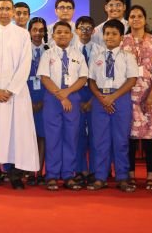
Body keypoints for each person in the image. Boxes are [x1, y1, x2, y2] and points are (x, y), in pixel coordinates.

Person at [0, 0, 39, 190]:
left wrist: (11, 89)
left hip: (16, 94)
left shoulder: (23, 35)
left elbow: (25, 64)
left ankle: (14, 174)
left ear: (12, 12)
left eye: (7, 9)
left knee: (16, 133)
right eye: (1, 8)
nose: (4, 12)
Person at [87, 19, 138, 192]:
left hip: (120, 98)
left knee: (121, 140)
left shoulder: (128, 56)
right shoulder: (96, 57)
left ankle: (122, 177)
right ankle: (100, 177)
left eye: (114, 34)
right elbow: (91, 81)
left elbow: (132, 80)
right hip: (100, 99)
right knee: (100, 141)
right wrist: (102, 98)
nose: (110, 37)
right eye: (107, 33)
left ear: (121, 37)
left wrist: (113, 97)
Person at [122, 5, 152, 190]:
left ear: (145, 19)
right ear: (128, 20)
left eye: (139, 16)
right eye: (132, 16)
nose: (136, 19)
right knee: (129, 138)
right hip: (127, 95)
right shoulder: (122, 41)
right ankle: (131, 175)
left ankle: (150, 175)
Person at [38, 21, 88, 191]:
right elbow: (44, 77)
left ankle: (68, 175)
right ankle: (52, 175)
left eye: (66, 32)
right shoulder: (48, 54)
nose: (62, 35)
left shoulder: (78, 55)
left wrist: (67, 93)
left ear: (72, 35)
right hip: (53, 98)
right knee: (53, 139)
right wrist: (61, 95)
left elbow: (83, 78)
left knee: (71, 138)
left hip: (72, 97)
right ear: (53, 35)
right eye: (58, 32)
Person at [72, 16, 102, 185]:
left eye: (88, 28)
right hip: (76, 95)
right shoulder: (70, 50)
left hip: (95, 95)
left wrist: (92, 99)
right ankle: (80, 169)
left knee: (96, 135)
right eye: (81, 28)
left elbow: (102, 77)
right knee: (77, 135)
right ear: (76, 30)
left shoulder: (100, 50)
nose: (85, 31)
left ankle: (96, 171)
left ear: (93, 30)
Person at [26, 17, 49, 185]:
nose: (38, 33)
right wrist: (27, 100)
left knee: (42, 136)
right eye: (34, 29)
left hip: (45, 97)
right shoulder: (23, 50)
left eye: (41, 30)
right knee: (27, 136)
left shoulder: (49, 51)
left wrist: (45, 100)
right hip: (26, 97)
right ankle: (28, 171)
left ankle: (39, 172)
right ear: (29, 31)